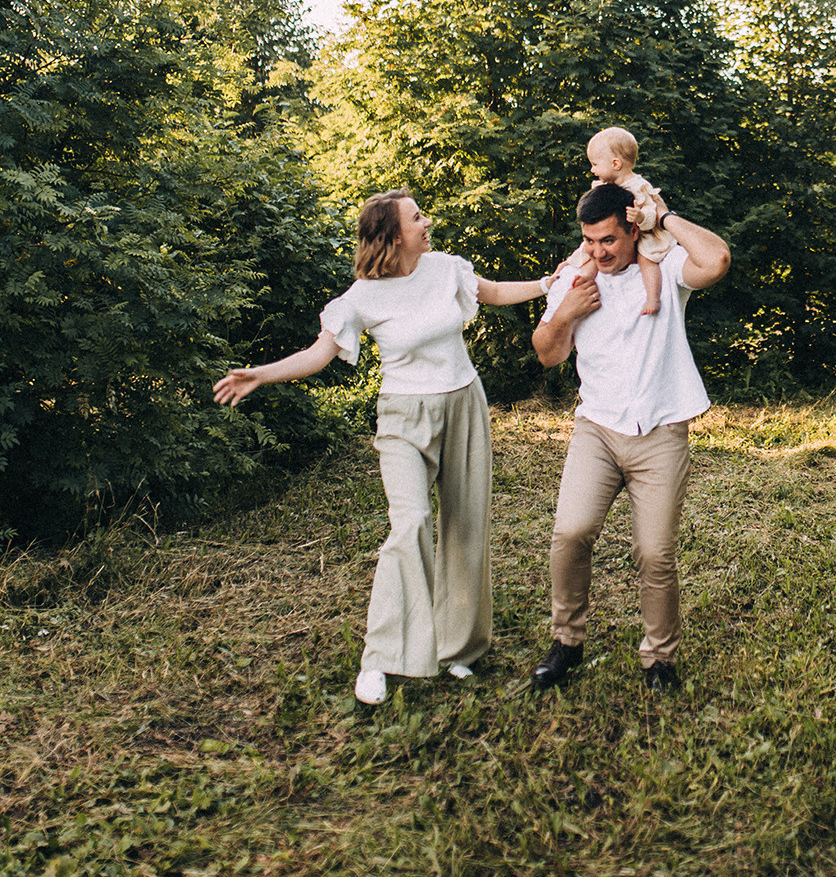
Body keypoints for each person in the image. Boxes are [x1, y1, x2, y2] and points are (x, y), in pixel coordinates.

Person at [212, 190, 555, 705]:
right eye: (416, 216)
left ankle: (456, 649)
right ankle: (381, 657)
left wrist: (549, 284)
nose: (426, 220)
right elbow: (317, 354)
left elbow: (494, 292)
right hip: (403, 417)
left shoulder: (445, 268)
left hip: (464, 402)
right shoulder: (361, 297)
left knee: (467, 525)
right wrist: (261, 374)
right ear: (394, 235)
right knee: (411, 521)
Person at [528, 180, 731, 692]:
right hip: (596, 430)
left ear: (630, 229)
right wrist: (567, 313)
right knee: (571, 533)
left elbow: (717, 260)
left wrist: (662, 218)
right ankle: (566, 642)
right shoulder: (575, 278)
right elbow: (547, 353)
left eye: (609, 240)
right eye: (589, 240)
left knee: (655, 552)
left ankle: (659, 658)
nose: (598, 251)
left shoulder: (661, 267)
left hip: (660, 432)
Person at [562, 126, 672, 316]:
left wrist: (641, 217)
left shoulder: (639, 187)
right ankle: (580, 280)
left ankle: (653, 297)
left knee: (647, 259)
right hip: (617, 234)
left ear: (615, 164)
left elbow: (653, 213)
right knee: (589, 251)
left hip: (644, 233)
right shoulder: (604, 186)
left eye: (595, 164)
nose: (592, 169)